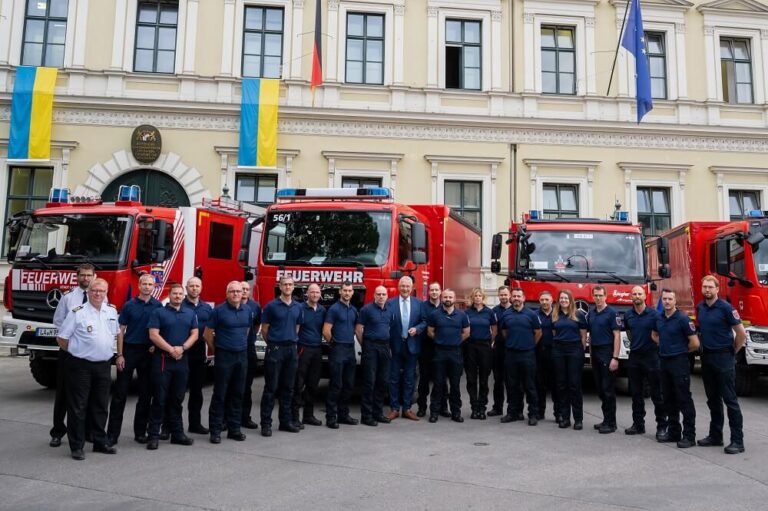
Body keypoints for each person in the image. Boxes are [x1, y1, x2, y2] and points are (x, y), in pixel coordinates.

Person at [57, 278, 118, 460]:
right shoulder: (78, 312)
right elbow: (62, 338)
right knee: (78, 407)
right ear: (89, 292)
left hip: (104, 365)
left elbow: (115, 334)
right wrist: (76, 352)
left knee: (100, 405)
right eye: (94, 290)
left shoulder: (112, 311)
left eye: (101, 291)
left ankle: (99, 441)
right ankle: (77, 446)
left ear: (106, 292)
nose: (97, 294)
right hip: (81, 365)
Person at [107, 273, 161, 445]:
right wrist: (120, 354)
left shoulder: (158, 306)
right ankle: (112, 435)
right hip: (129, 351)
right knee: (119, 395)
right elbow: (120, 331)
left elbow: (160, 331)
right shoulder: (129, 305)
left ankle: (140, 432)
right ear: (139, 286)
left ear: (154, 287)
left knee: (145, 395)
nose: (147, 287)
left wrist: (156, 346)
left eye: (150, 284)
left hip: (148, 353)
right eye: (144, 284)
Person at [696, 275, 747, 454]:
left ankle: (737, 441)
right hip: (707, 358)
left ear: (718, 289)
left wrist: (733, 351)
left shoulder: (726, 308)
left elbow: (741, 334)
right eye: (705, 287)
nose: (707, 290)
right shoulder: (700, 307)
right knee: (712, 400)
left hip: (724, 357)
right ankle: (716, 436)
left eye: (711, 287)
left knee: (730, 400)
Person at [49, 263, 97, 448]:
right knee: (63, 393)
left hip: (90, 354)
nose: (86, 278)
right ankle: (58, 432)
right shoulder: (68, 298)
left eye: (89, 275)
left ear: (94, 276)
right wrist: (71, 343)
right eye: (83, 275)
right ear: (77, 277)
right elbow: (58, 321)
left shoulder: (99, 296)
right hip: (69, 352)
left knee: (88, 394)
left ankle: (87, 431)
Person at [146, 283, 198, 450]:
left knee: (177, 399)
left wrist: (182, 348)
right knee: (159, 399)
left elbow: (195, 333)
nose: (177, 296)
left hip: (181, 360)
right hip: (163, 360)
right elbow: (153, 335)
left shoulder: (190, 313)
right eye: (175, 293)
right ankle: (153, 435)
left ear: (183, 296)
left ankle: (177, 434)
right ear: (169, 295)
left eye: (180, 294)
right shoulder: (158, 312)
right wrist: (171, 349)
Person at [205, 281, 254, 443]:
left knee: (238, 393)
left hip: (241, 356)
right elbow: (207, 334)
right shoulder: (218, 311)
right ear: (227, 294)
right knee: (220, 394)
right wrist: (218, 350)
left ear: (243, 294)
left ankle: (234, 429)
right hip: (224, 356)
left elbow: (246, 331)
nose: (235, 294)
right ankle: (216, 430)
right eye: (232, 291)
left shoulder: (247, 310)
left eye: (238, 291)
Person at [260, 276, 303, 436]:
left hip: (291, 349)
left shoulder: (298, 307)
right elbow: (265, 329)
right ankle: (266, 424)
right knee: (271, 388)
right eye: (285, 284)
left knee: (288, 388)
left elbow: (297, 327)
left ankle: (285, 422)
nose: (288, 287)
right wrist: (274, 342)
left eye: (290, 284)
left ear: (293, 287)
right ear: (280, 287)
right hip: (275, 349)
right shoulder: (271, 306)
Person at [656, 288, 699, 448]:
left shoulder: (682, 319)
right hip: (664, 362)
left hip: (679, 362)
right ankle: (674, 432)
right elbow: (654, 335)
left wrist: (680, 350)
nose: (667, 302)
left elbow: (695, 343)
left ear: (675, 301)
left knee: (684, 399)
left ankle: (689, 435)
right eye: (665, 299)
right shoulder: (659, 318)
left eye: (670, 299)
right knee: (668, 399)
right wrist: (664, 347)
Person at [623, 286, 667, 439]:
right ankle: (638, 424)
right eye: (634, 294)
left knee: (657, 394)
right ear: (631, 297)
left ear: (645, 296)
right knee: (636, 394)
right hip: (635, 357)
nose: (636, 296)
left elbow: (660, 334)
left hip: (652, 358)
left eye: (639, 294)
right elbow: (628, 333)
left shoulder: (655, 315)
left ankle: (662, 426)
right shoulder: (628, 315)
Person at [499, 287, 542, 426]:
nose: (516, 298)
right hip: (511, 354)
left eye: (519, 296)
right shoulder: (506, 314)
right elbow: (504, 332)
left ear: (524, 298)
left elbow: (538, 333)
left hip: (527, 354)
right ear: (512, 298)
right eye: (514, 296)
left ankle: (533, 414)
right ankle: (513, 412)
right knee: (512, 386)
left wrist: (528, 345)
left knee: (530, 385)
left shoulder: (531, 314)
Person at [387, 276, 427, 421]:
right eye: (402, 286)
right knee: (393, 378)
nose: (405, 289)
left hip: (412, 346)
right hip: (395, 346)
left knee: (410, 379)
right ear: (398, 287)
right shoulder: (390, 303)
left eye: (407, 286)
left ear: (411, 288)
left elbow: (424, 322)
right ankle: (394, 408)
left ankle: (407, 408)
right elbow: (386, 324)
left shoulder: (419, 304)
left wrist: (417, 329)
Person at [427, 289, 470, 423]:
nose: (448, 299)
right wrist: (440, 340)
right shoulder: (435, 314)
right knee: (438, 384)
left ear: (454, 298)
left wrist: (455, 342)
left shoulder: (462, 315)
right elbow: (430, 331)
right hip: (439, 352)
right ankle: (434, 412)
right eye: (445, 297)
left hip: (455, 353)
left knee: (455, 385)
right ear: (442, 297)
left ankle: (456, 413)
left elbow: (466, 332)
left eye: (450, 297)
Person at [323, 281, 360, 429]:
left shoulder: (354, 310)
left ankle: (343, 415)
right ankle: (331, 417)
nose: (347, 293)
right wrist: (334, 344)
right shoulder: (333, 309)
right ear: (340, 292)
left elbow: (357, 329)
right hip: (337, 349)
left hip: (350, 349)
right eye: (344, 290)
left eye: (350, 291)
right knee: (336, 385)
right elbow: (326, 331)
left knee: (349, 385)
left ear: (352, 293)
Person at [356, 286, 395, 426]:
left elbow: (389, 328)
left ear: (387, 295)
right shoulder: (366, 310)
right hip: (370, 347)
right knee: (369, 382)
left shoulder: (390, 310)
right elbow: (359, 330)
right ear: (374, 295)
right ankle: (366, 416)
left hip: (384, 347)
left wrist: (388, 347)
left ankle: (378, 414)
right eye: (378, 294)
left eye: (383, 294)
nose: (381, 296)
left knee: (382, 381)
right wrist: (365, 346)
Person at [587, 286, 621, 434]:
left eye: (601, 295)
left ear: (606, 296)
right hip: (595, 353)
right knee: (600, 389)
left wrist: (615, 357)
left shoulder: (612, 313)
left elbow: (617, 336)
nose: (598, 298)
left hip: (607, 352)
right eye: (596, 295)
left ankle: (611, 423)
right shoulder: (592, 313)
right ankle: (605, 419)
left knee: (608, 390)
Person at [552, 289, 587, 430]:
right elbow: (555, 333)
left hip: (574, 351)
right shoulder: (555, 315)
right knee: (561, 385)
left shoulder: (578, 315)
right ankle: (565, 418)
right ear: (559, 300)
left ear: (570, 300)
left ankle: (578, 419)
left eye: (566, 298)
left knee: (574, 385)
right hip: (559, 351)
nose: (564, 300)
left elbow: (583, 336)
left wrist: (580, 351)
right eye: (561, 298)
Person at [182, 277, 213, 434]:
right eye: (191, 286)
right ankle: (169, 427)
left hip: (199, 352)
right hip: (181, 352)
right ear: (186, 288)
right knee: (177, 391)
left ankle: (195, 424)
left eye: (197, 286)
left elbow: (212, 330)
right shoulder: (178, 305)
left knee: (196, 391)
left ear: (201, 288)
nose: (194, 288)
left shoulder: (207, 308)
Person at [292, 283, 326, 427]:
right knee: (299, 384)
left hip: (317, 349)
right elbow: (295, 329)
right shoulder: (300, 308)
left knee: (313, 384)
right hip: (303, 349)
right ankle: (294, 417)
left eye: (317, 292)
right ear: (307, 294)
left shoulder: (322, 310)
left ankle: (308, 415)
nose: (315, 295)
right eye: (312, 292)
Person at [464, 288, 497, 420]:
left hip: (484, 347)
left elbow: (494, 330)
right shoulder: (467, 312)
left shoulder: (489, 312)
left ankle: (482, 408)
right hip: (470, 346)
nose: (477, 298)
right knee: (471, 379)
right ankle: (474, 407)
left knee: (484, 379)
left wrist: (490, 342)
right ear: (472, 298)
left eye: (479, 296)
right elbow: (464, 329)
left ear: (483, 298)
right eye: (475, 296)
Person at [416, 282, 448, 418]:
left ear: (440, 292)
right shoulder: (422, 307)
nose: (434, 292)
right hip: (426, 348)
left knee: (441, 380)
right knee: (424, 379)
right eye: (432, 290)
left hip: (441, 348)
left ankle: (443, 407)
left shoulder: (445, 306)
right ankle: (422, 407)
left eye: (436, 290)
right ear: (428, 292)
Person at [239, 281, 262, 430]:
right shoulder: (227, 306)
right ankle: (227, 419)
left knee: (247, 386)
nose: (245, 291)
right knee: (233, 386)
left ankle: (245, 418)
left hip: (249, 349)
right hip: (234, 350)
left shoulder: (255, 307)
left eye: (247, 289)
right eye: (242, 289)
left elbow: (257, 325)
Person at [489, 286, 512, 417]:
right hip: (498, 349)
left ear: (509, 295)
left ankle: (512, 408)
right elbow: (492, 329)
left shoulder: (514, 309)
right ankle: (497, 407)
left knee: (511, 381)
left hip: (511, 349)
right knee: (498, 380)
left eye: (505, 294)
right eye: (501, 295)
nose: (503, 297)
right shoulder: (494, 311)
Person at [535, 290, 558, 422]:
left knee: (556, 384)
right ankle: (539, 411)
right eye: (542, 300)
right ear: (539, 301)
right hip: (539, 352)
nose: (544, 302)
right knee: (539, 384)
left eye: (546, 300)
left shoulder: (557, 314)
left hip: (555, 352)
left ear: (551, 300)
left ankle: (558, 413)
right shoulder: (534, 315)